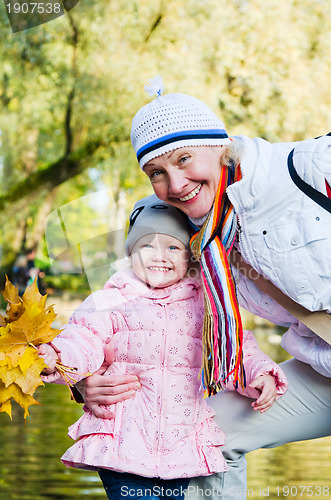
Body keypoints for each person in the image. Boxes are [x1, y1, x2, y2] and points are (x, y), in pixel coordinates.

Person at [79, 79, 331, 499]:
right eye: (156, 173)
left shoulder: (306, 167)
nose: (175, 184)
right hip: (324, 367)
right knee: (207, 434)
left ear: (220, 145)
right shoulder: (192, 238)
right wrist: (84, 377)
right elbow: (141, 316)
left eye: (184, 158)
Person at [38, 197, 287, 500]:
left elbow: (233, 346)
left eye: (173, 247)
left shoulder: (206, 305)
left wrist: (259, 372)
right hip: (121, 442)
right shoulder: (110, 301)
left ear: (189, 256)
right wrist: (57, 355)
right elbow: (83, 337)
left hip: (181, 447)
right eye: (147, 246)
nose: (160, 256)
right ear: (131, 254)